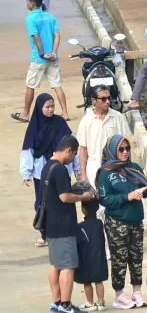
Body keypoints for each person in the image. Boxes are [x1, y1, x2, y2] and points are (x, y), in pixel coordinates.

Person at [96, 134, 147, 309]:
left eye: (127, 149)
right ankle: (119, 294)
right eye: (121, 149)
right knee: (119, 259)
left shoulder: (134, 168)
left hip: (136, 221)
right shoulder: (105, 173)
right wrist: (127, 197)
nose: (125, 152)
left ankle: (137, 291)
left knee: (136, 258)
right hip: (117, 222)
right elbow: (105, 199)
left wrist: (145, 188)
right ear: (113, 151)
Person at [44, 135, 95, 313]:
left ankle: (56, 302)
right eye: (74, 154)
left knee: (55, 264)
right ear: (68, 150)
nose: (73, 158)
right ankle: (65, 304)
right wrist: (83, 197)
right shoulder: (60, 170)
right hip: (63, 225)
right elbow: (64, 196)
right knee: (67, 265)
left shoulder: (47, 166)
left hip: (50, 224)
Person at [21, 93, 80, 247]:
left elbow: (72, 148)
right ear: (40, 108)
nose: (51, 110)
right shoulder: (34, 127)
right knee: (42, 202)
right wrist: (26, 173)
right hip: (41, 172)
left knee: (62, 201)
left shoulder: (60, 123)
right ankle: (44, 233)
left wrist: (77, 169)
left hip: (61, 170)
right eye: (47, 107)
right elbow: (28, 149)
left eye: (53, 106)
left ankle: (60, 232)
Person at [13, 0, 69, 122]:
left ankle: (25, 114)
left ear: (32, 4)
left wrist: (42, 53)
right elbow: (57, 36)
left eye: (27, 1)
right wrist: (54, 52)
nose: (26, 3)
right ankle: (65, 113)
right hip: (53, 58)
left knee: (30, 86)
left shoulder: (31, 18)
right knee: (57, 85)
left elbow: (36, 37)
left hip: (39, 59)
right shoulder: (50, 17)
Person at [77, 85, 133, 187]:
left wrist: (128, 169)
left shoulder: (118, 117)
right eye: (103, 99)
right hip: (94, 169)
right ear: (93, 100)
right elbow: (83, 149)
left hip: (116, 169)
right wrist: (83, 174)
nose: (107, 101)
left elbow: (126, 145)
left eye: (109, 98)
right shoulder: (86, 121)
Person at [75, 197, 108, 312]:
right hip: (99, 257)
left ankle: (90, 303)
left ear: (83, 210)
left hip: (86, 259)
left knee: (87, 282)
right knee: (99, 281)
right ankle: (101, 302)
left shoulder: (80, 226)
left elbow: (79, 242)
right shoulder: (99, 224)